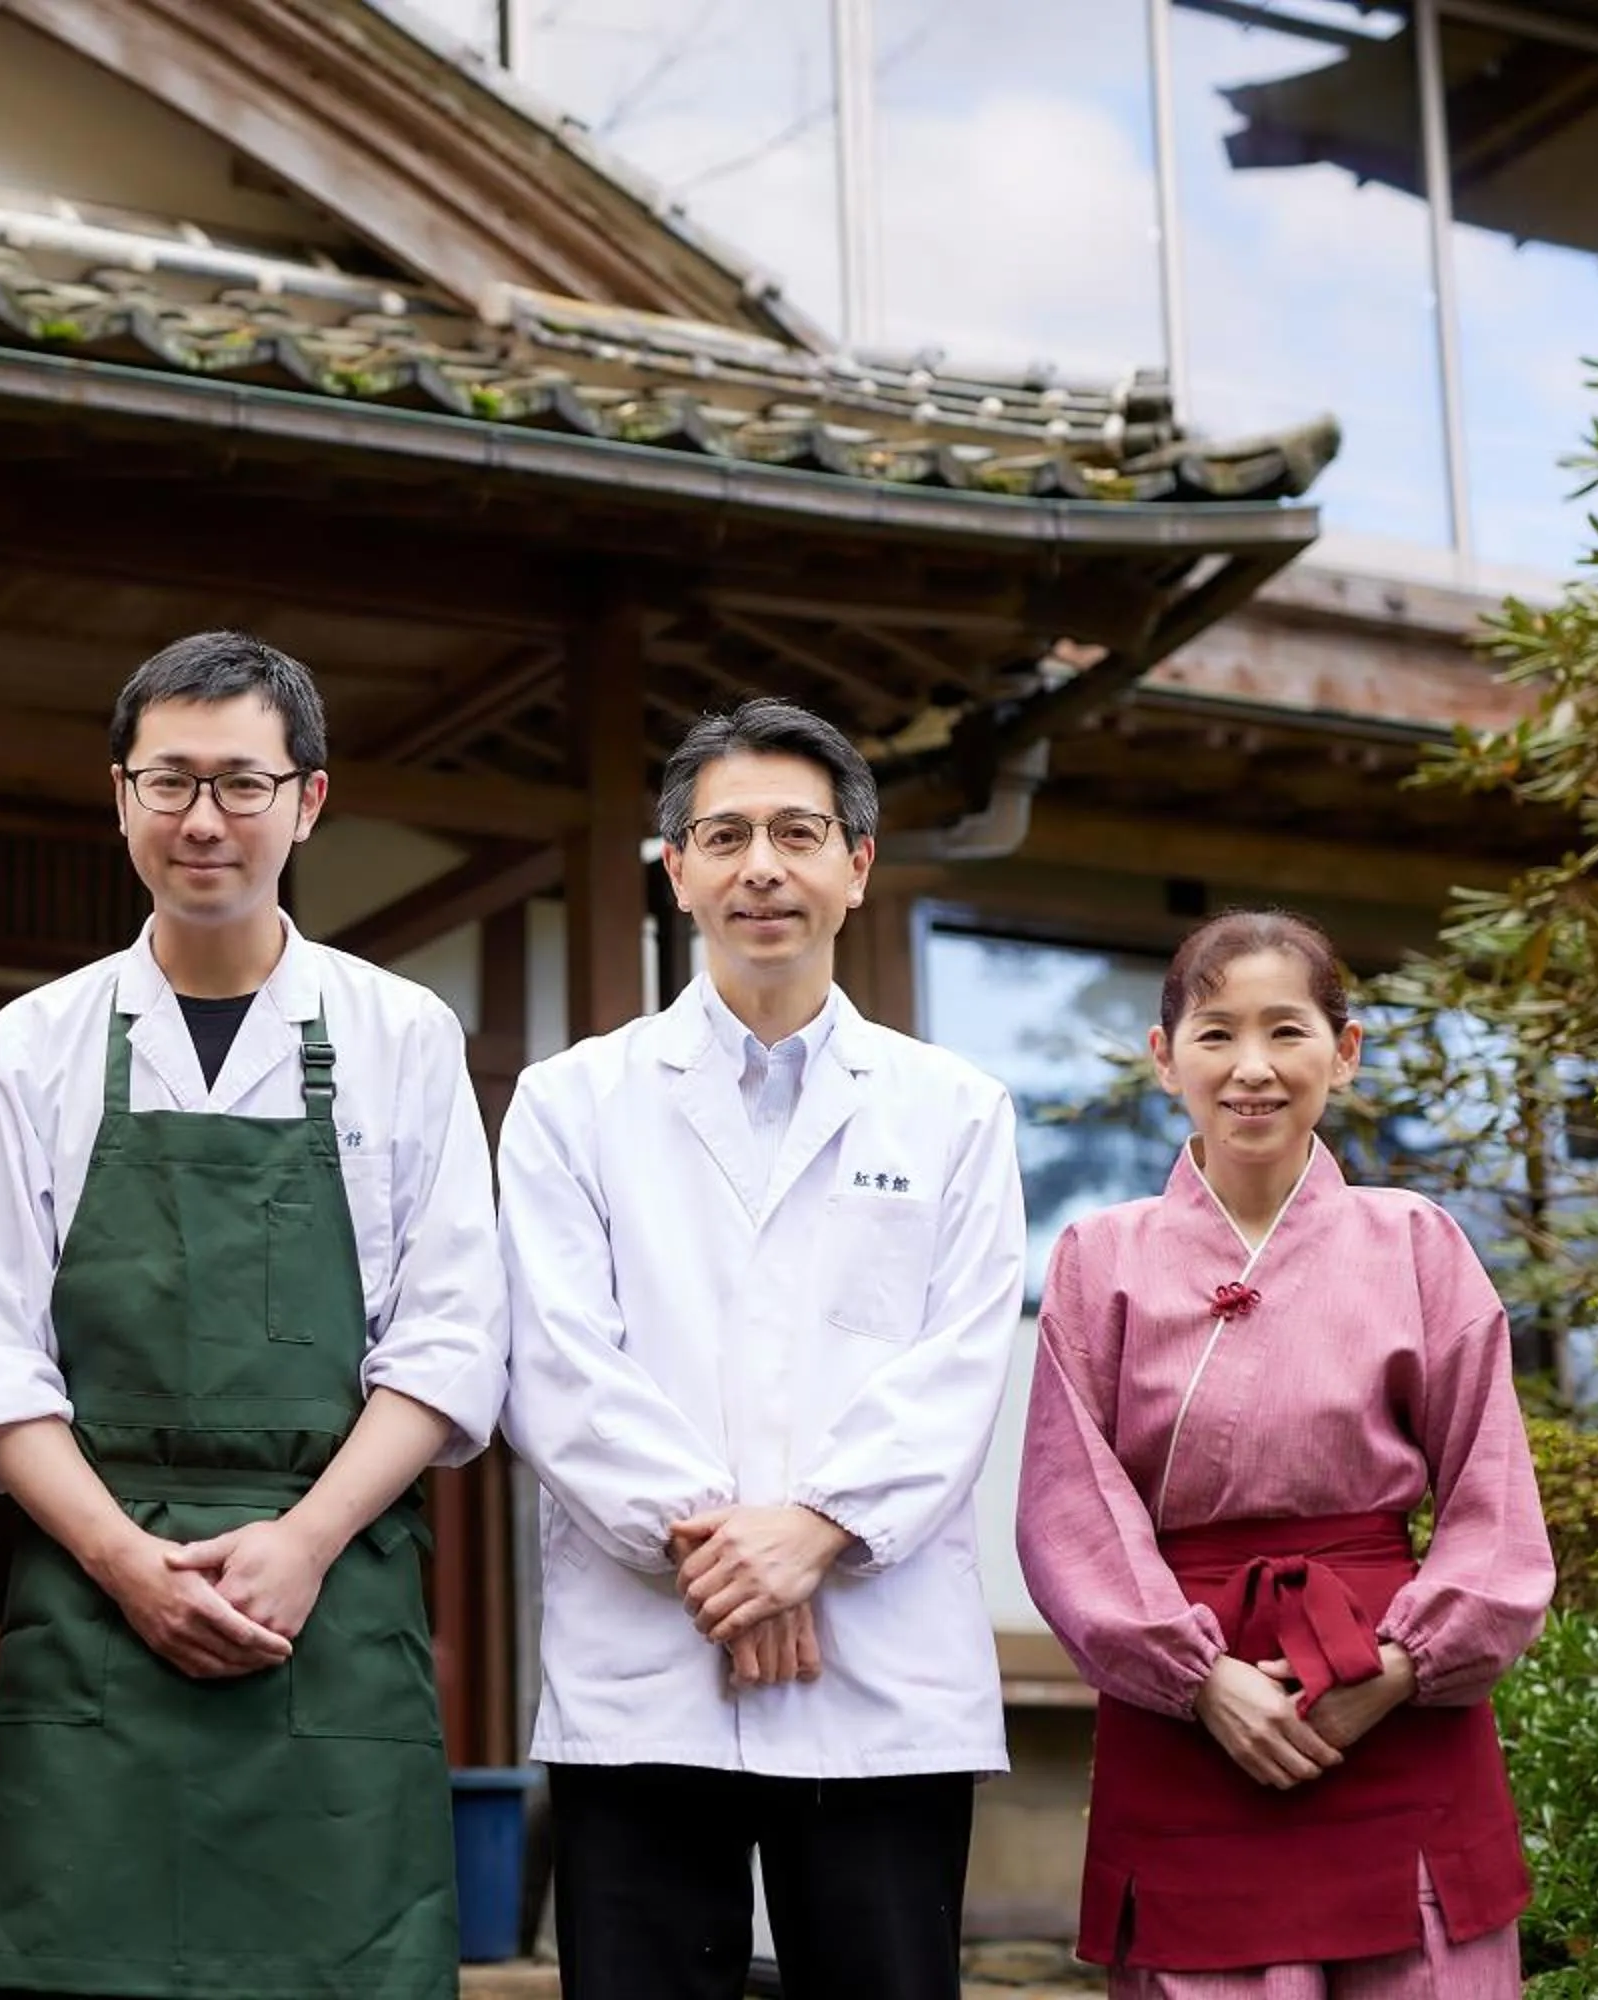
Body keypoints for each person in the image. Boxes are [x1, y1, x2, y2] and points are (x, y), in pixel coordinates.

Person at [0, 630, 507, 2000]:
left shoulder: (402, 1033)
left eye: (243, 784)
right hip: (94, 1599)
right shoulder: (34, 1042)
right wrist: (130, 1563)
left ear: (308, 800)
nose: (205, 820)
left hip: (332, 1592)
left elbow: (450, 1339)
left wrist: (306, 1541)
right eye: (170, 781)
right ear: (120, 795)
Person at [499, 697, 1028, 2000]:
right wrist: (731, 1554)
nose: (762, 867)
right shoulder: (573, 1103)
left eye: (799, 832)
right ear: (673, 871)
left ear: (858, 863)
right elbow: (557, 1361)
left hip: (876, 1657)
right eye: (723, 836)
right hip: (650, 1658)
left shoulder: (956, 1110)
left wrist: (819, 1533)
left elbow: (960, 1363)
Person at [1017, 908, 1555, 1998]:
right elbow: (1068, 1503)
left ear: (1343, 1052)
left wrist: (1395, 1672)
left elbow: (1493, 1496)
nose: (1251, 1068)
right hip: (1190, 1706)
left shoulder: (1416, 1241)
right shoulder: (1099, 1256)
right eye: (1215, 1034)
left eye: (1287, 1031)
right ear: (1163, 1059)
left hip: (1391, 1698)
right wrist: (1199, 1676)